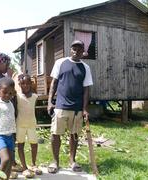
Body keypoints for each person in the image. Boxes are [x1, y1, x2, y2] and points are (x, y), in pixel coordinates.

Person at [47, 40, 93, 173]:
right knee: (55, 134)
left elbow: (86, 90)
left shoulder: (85, 68)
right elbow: (54, 83)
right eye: (74, 48)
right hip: (61, 106)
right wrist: (50, 102)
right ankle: (55, 161)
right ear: (70, 49)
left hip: (77, 108)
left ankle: (72, 161)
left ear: (82, 52)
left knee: (75, 135)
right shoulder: (60, 63)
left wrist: (84, 109)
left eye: (79, 49)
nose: (76, 51)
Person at [16, 74, 42, 178]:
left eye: (28, 83)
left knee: (34, 144)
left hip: (31, 124)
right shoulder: (17, 96)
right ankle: (24, 167)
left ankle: (33, 164)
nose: (25, 85)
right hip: (20, 125)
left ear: (31, 84)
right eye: (23, 83)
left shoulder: (35, 96)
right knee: (20, 145)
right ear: (19, 84)